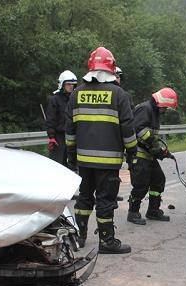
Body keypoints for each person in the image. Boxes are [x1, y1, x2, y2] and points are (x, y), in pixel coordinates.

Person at [65, 46, 137, 254]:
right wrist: (132, 154)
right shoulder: (119, 95)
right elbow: (128, 129)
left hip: (83, 160)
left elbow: (70, 129)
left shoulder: (76, 94)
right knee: (105, 200)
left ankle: (78, 236)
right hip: (109, 162)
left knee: (84, 198)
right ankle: (106, 241)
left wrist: (71, 155)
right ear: (111, 69)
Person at [127, 88, 178, 225]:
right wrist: (156, 147)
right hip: (138, 153)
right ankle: (133, 212)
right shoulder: (145, 109)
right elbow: (140, 130)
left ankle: (153, 210)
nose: (166, 110)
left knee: (158, 180)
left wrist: (159, 151)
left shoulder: (154, 111)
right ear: (161, 103)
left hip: (147, 154)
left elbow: (150, 137)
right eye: (166, 107)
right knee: (140, 184)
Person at [46, 70, 77, 169]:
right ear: (62, 84)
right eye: (68, 84)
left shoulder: (75, 100)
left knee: (73, 167)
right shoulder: (54, 100)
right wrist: (51, 137)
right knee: (58, 166)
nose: (71, 86)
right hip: (59, 139)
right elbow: (50, 119)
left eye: (73, 84)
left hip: (73, 137)